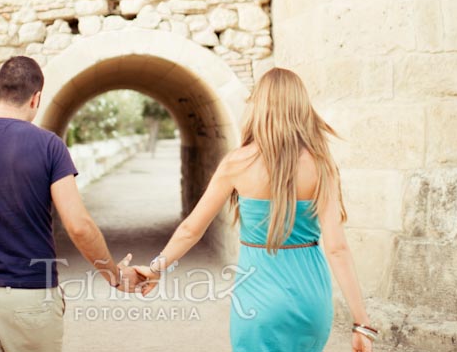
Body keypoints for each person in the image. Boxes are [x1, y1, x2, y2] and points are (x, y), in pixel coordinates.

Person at [133, 67, 377, 352]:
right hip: (311, 300)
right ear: (301, 107)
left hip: (257, 303)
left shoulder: (237, 163)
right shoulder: (322, 165)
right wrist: (362, 323)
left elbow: (191, 229)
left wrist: (155, 269)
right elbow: (337, 249)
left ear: (259, 107)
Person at [0, 55, 140, 352]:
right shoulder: (50, 146)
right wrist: (113, 275)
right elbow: (79, 227)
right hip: (32, 297)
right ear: (36, 98)